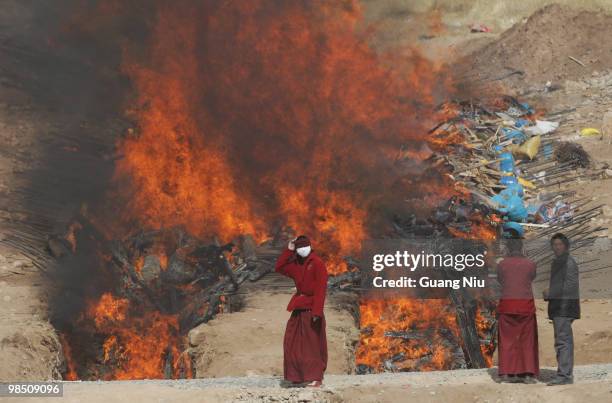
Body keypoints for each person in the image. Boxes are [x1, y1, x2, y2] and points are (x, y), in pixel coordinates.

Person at [275, 235, 328, 387]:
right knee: (292, 341)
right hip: (299, 307)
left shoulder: (317, 263)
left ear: (310, 246)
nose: (302, 249)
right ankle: (296, 376)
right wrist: (288, 250)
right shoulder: (297, 264)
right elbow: (279, 267)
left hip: (312, 309)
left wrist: (317, 312)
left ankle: (315, 378)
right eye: (299, 247)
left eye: (304, 246)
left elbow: (320, 290)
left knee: (312, 344)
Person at [496, 238, 539, 383]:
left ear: (507, 248)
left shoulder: (502, 264)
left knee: (507, 341)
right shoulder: (530, 264)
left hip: (507, 305)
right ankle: (527, 374)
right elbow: (531, 278)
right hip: (525, 306)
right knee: (527, 341)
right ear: (521, 248)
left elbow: (501, 280)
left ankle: (507, 374)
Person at [543, 233, 580, 386]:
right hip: (559, 307)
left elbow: (570, 286)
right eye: (554, 244)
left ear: (566, 246)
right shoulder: (558, 261)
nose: (557, 247)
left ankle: (564, 375)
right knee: (562, 341)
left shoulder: (568, 262)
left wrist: (551, 293)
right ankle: (564, 374)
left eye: (560, 244)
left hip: (564, 308)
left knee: (563, 342)